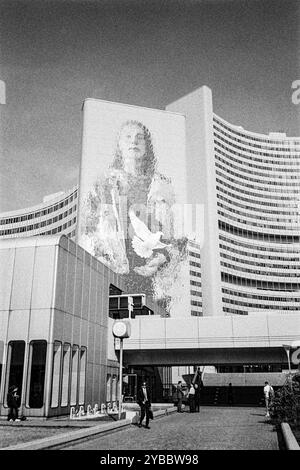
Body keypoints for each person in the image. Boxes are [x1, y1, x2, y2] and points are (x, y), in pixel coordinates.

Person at [81, 120, 188, 313]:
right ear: (119, 145)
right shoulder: (104, 183)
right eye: (128, 137)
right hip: (114, 276)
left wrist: (161, 258)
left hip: (153, 281)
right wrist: (106, 260)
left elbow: (175, 237)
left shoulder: (163, 185)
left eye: (140, 138)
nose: (134, 141)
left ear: (147, 147)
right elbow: (89, 232)